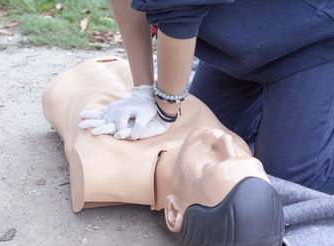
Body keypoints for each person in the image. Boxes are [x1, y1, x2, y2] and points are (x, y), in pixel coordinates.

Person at [42, 58, 284, 246]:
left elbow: (82, 98)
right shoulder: (230, 142)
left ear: (173, 212)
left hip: (83, 75)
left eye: (211, 165)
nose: (224, 142)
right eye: (245, 158)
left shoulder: (100, 164)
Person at [79, 0, 334, 194]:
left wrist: (165, 107)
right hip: (239, 42)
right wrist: (143, 90)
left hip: (314, 40)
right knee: (201, 148)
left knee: (288, 183)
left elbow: (179, 8)